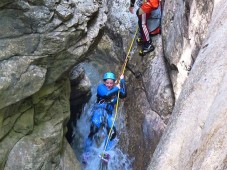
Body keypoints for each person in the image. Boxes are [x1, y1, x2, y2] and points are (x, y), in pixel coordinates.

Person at [84, 72, 127, 151]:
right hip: (99, 111)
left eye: (111, 83)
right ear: (104, 82)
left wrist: (122, 81)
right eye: (107, 83)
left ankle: (105, 153)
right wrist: (117, 88)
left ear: (114, 83)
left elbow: (124, 94)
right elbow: (106, 95)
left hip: (108, 114)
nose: (109, 85)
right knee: (94, 129)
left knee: (113, 133)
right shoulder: (101, 87)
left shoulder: (115, 90)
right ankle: (87, 152)